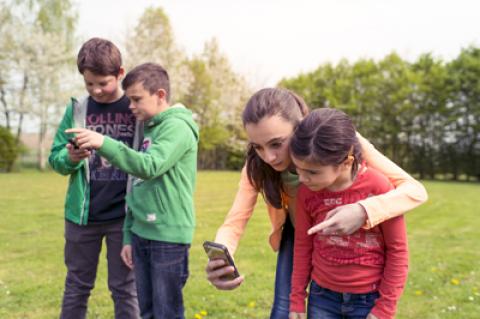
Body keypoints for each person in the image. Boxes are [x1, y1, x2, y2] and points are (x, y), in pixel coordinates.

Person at [206, 88, 427, 319]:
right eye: (258, 147)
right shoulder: (256, 167)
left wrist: (363, 210)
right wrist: (222, 256)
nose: (269, 157)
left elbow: (415, 190)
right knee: (284, 312)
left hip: (352, 238)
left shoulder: (336, 139)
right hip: (300, 232)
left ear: (301, 126)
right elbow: (235, 221)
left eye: (276, 144)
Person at [66, 62, 199, 319]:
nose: (131, 107)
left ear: (160, 95)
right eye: (129, 100)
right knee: (147, 312)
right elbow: (136, 186)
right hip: (142, 233)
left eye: (137, 99)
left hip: (167, 237)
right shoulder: (149, 127)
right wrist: (128, 235)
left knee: (167, 313)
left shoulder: (177, 127)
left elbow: (149, 167)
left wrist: (103, 142)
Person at [48, 37, 140, 319]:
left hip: (124, 218)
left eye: (103, 83)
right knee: (77, 286)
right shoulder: (76, 110)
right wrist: (71, 159)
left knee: (125, 289)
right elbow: (56, 158)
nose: (96, 90)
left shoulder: (135, 109)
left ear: (120, 74)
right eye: (89, 84)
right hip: (81, 218)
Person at [288, 108, 408, 319]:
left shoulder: (379, 186)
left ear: (346, 162)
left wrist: (385, 309)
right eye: (297, 169)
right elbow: (302, 246)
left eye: (312, 172)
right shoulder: (307, 193)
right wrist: (297, 299)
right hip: (321, 296)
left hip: (368, 300)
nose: (302, 178)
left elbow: (397, 251)